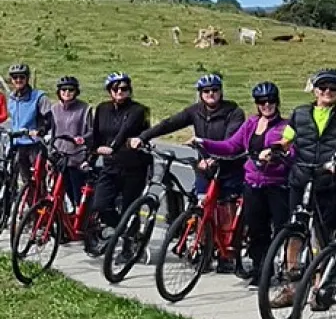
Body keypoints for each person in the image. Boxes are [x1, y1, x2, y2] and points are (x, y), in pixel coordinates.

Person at [269, 68, 336, 308]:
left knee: (322, 236)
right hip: (301, 176)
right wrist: (274, 149)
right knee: (294, 231)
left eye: (334, 89)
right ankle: (292, 287)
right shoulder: (300, 113)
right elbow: (287, 140)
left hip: (329, 182)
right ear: (315, 89)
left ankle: (320, 287)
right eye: (323, 87)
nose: (327, 92)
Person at [194, 82, 291, 285]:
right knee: (256, 229)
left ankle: (284, 268)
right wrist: (203, 142)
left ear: (277, 101)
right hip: (252, 184)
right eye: (261, 102)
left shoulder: (285, 127)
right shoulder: (251, 124)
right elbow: (231, 146)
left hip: (277, 185)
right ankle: (259, 268)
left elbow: (291, 153)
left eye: (271, 100)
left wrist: (275, 154)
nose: (267, 105)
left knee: (281, 229)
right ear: (256, 104)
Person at [131, 74, 246, 199]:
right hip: (205, 169)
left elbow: (229, 143)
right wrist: (143, 137)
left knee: (226, 209)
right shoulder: (195, 111)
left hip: (230, 169)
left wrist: (216, 159)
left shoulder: (234, 112)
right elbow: (170, 124)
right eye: (206, 91)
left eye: (215, 90)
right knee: (199, 205)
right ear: (200, 94)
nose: (211, 93)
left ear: (221, 91)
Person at [89, 72, 152, 230]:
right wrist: (91, 154)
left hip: (134, 167)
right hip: (110, 166)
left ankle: (129, 243)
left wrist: (112, 148)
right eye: (115, 88)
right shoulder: (102, 109)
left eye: (124, 88)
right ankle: (120, 230)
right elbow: (95, 135)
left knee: (129, 209)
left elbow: (125, 130)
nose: (120, 92)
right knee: (99, 205)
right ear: (109, 91)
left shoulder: (138, 110)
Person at [5, 62, 53, 186]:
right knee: (25, 181)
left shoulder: (39, 97)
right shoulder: (11, 98)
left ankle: (41, 203)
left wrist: (41, 130)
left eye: (22, 77)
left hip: (34, 143)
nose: (18, 80)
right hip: (17, 143)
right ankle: (28, 203)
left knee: (38, 179)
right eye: (15, 77)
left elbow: (50, 118)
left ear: (27, 78)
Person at [49, 76, 93, 208]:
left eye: (70, 90)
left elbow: (92, 131)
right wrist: (50, 153)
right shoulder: (54, 109)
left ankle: (80, 220)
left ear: (76, 91)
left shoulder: (85, 109)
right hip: (59, 155)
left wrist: (83, 138)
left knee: (76, 193)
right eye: (63, 90)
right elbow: (52, 132)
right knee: (58, 191)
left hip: (76, 156)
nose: (67, 92)